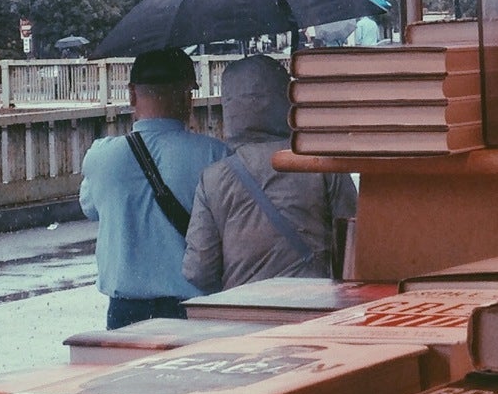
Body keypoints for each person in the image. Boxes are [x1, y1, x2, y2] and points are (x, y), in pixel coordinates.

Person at [184, 54, 358, 290]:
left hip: (245, 315)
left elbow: (198, 270)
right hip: (316, 306)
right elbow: (356, 245)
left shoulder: (213, 179)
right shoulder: (321, 163)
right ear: (287, 99)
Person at [79, 47, 226, 327]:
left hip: (125, 311)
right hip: (194, 310)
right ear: (188, 96)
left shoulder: (100, 156)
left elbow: (90, 208)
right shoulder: (215, 156)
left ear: (132, 94)